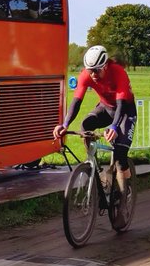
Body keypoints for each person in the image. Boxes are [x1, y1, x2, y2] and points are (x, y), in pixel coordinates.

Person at [52, 45, 136, 196]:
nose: (93, 75)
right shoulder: (86, 75)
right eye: (90, 71)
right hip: (105, 107)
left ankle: (126, 191)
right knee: (86, 125)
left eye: (96, 70)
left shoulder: (118, 72)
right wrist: (64, 124)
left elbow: (121, 105)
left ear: (105, 66)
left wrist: (115, 127)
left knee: (120, 155)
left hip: (125, 111)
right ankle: (94, 167)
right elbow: (76, 101)